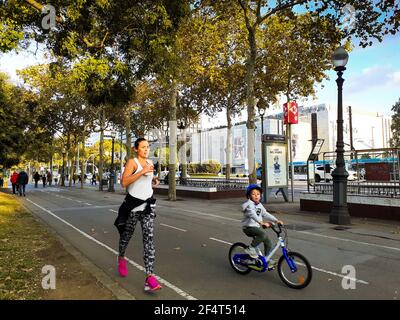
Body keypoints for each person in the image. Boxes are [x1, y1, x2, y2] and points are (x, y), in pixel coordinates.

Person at [114, 138, 161, 292]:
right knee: (126, 237)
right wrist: (142, 172)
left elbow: (145, 182)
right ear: (136, 149)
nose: (146, 149)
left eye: (147, 147)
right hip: (133, 208)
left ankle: (150, 277)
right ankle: (121, 257)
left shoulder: (150, 163)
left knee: (149, 240)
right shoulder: (132, 162)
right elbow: (124, 183)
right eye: (143, 147)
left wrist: (153, 179)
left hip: (147, 207)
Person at [242, 184, 283, 260]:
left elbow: (265, 214)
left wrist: (276, 220)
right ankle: (250, 248)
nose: (256, 196)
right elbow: (252, 214)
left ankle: (267, 259)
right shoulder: (248, 205)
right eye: (253, 194)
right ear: (249, 196)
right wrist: (261, 222)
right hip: (248, 227)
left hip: (256, 227)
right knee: (263, 234)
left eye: (258, 194)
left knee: (268, 242)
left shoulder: (259, 205)